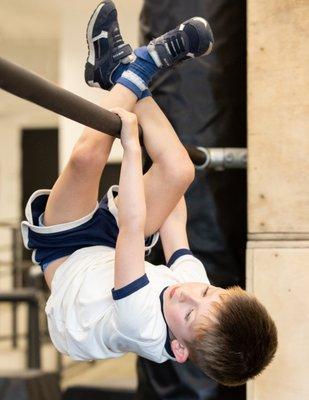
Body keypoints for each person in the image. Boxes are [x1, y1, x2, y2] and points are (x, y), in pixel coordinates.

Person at [21, 1, 277, 387]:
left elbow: (133, 225)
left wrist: (134, 146)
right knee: (181, 171)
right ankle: (126, 74)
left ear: (179, 348)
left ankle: (137, 69)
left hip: (68, 258)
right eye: (206, 292)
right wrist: (169, 177)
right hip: (112, 254)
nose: (187, 295)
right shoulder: (192, 289)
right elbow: (173, 219)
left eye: (190, 316)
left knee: (87, 156)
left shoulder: (141, 324)